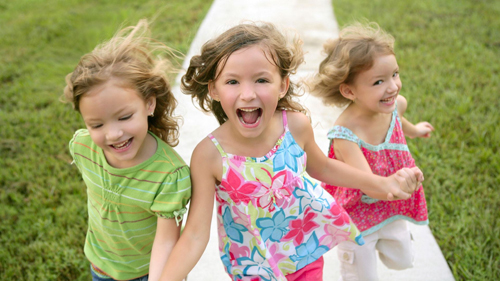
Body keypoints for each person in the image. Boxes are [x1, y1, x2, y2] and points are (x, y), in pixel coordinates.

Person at [160, 22, 423, 281]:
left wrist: (382, 183)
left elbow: (323, 167)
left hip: (305, 253)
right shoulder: (209, 155)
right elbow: (195, 234)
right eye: (232, 82)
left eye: (262, 79)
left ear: (283, 85)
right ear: (214, 89)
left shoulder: (294, 126)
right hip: (252, 268)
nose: (248, 94)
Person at [63, 20, 191, 281]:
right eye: (96, 124)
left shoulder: (169, 175)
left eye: (124, 117)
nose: (113, 134)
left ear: (149, 104)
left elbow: (167, 242)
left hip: (148, 273)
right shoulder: (83, 147)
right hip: (100, 267)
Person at [309, 22, 434, 281]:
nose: (393, 87)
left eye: (395, 74)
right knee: (361, 274)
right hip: (357, 216)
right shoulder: (345, 133)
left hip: (390, 207)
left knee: (403, 259)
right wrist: (399, 186)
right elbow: (368, 186)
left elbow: (401, 123)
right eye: (379, 81)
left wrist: (417, 130)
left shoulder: (395, 105)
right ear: (349, 90)